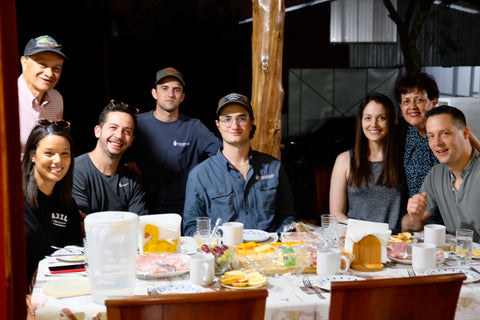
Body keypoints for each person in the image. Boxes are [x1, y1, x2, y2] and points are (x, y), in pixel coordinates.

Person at [182, 93, 296, 236]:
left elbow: (287, 218)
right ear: (218, 125)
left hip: (267, 253)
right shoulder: (200, 175)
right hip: (223, 255)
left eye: (241, 118)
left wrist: (277, 245)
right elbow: (191, 227)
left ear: (251, 123)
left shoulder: (274, 167)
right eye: (227, 119)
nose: (234, 126)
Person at [126, 67, 221, 215]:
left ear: (182, 96)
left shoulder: (194, 127)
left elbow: (223, 156)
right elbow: (115, 151)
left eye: (176, 89)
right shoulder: (136, 124)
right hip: (143, 207)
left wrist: (201, 177)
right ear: (154, 93)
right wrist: (125, 164)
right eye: (164, 88)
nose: (170, 94)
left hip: (184, 210)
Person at [329, 93, 406, 232]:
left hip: (393, 242)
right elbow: (336, 213)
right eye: (368, 118)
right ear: (361, 121)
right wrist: (364, 233)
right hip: (356, 239)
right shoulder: (344, 160)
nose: (374, 124)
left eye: (381, 118)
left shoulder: (403, 159)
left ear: (391, 121)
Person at [401, 106, 480, 242]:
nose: (437, 142)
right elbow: (409, 228)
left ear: (466, 133)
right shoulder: (436, 175)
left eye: (445, 133)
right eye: (431, 136)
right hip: (458, 260)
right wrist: (414, 217)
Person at [22, 120, 82, 286]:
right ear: (32, 155)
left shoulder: (68, 204)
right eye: (49, 153)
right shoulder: (12, 199)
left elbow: (75, 253)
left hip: (55, 290)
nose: (58, 161)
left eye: (65, 154)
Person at [72, 100, 148, 216]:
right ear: (98, 131)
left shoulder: (133, 179)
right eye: (113, 127)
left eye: (127, 131)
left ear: (131, 140)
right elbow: (81, 227)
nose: (119, 135)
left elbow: (139, 226)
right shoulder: (75, 171)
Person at [18, 35, 67, 157]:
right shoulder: (6, 96)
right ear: (24, 63)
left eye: (56, 68)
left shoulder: (57, 99)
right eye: (42, 64)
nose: (49, 74)